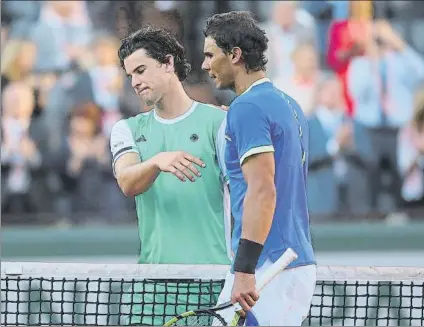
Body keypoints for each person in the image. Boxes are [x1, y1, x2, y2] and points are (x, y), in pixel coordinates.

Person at [201, 11, 316, 326]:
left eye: (210, 55)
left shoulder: (248, 108)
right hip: (292, 262)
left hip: (266, 269)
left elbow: (263, 190)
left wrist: (245, 270)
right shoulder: (288, 104)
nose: (204, 65)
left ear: (235, 55)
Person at [110, 26, 231, 325]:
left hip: (212, 284)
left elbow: (250, 192)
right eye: (130, 76)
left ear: (167, 63)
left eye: (141, 70)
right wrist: (156, 162)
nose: (135, 82)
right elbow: (127, 181)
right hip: (151, 288)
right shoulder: (127, 129)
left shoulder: (221, 122)